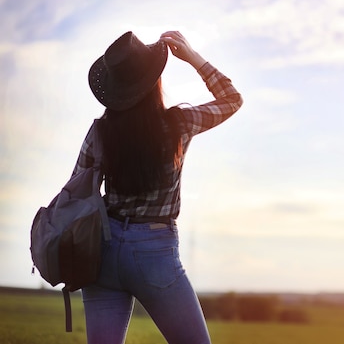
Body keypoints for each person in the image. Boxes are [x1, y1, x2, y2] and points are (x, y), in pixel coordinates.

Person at [73, 30, 243, 344]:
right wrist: (192, 56)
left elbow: (77, 191)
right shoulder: (179, 124)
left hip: (102, 252)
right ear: (154, 83)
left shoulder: (100, 131)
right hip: (154, 252)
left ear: (114, 90)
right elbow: (232, 100)